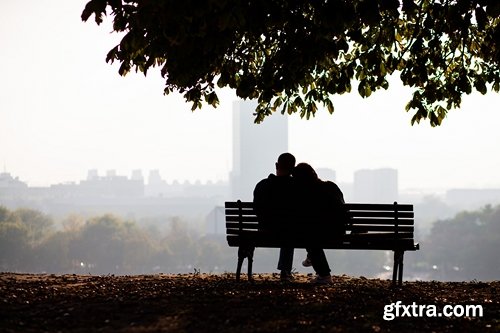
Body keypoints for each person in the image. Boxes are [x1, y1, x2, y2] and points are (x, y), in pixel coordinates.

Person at [292, 162, 347, 284]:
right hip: (338, 232)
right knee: (312, 232)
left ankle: (324, 275)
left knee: (309, 234)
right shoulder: (331, 186)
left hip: (317, 234)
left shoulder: (305, 194)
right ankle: (311, 257)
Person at [253, 152, 296, 281]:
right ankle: (285, 270)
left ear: (276, 165)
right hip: (289, 233)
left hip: (265, 230)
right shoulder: (296, 186)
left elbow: (257, 210)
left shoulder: (262, 185)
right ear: (293, 169)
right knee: (289, 229)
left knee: (287, 229)